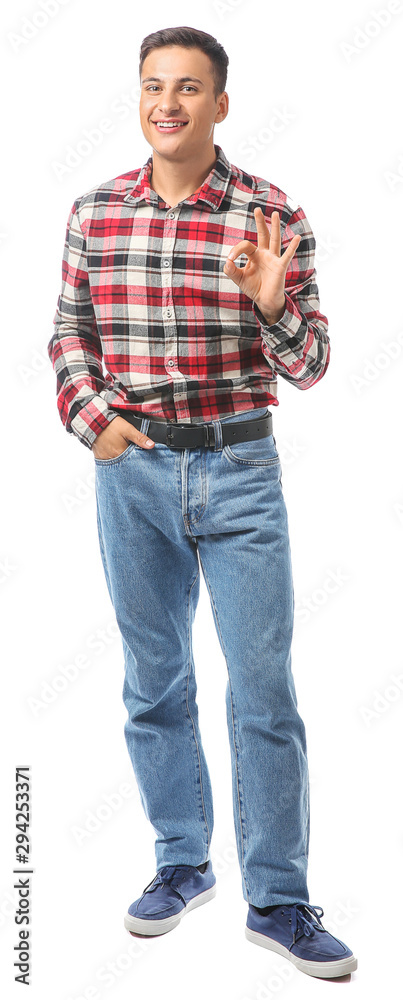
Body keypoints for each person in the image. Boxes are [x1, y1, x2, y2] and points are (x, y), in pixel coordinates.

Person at [47, 25, 357, 980]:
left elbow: (309, 367)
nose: (167, 104)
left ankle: (279, 896)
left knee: (262, 689)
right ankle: (180, 862)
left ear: (221, 104)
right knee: (153, 678)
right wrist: (91, 419)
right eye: (152, 87)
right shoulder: (95, 212)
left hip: (240, 473)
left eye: (188, 88)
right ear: (137, 101)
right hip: (130, 474)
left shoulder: (270, 216)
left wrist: (271, 302)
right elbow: (68, 337)